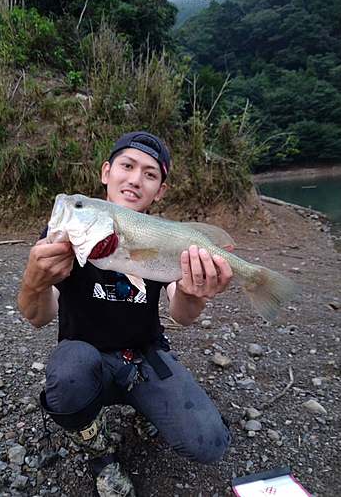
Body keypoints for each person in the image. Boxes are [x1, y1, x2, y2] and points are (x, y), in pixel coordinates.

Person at [18, 131, 233, 497]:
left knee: (210, 443)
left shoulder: (166, 237)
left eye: (150, 174)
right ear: (106, 172)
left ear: (160, 191)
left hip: (144, 358)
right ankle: (99, 454)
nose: (135, 179)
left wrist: (195, 294)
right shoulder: (68, 234)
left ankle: (148, 407)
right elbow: (38, 316)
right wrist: (34, 281)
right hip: (85, 361)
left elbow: (181, 314)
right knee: (69, 374)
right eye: (127, 166)